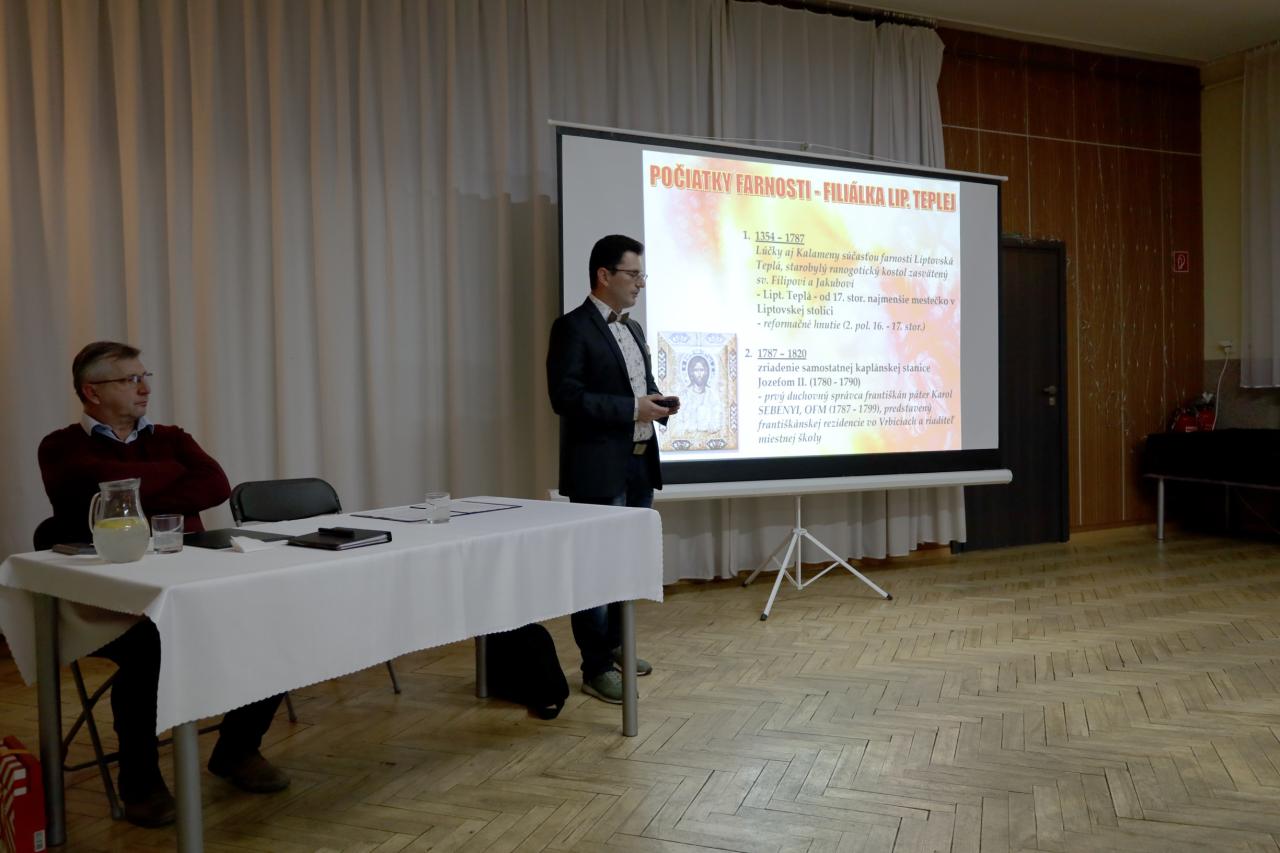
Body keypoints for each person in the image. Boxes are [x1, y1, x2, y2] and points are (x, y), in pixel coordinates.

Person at [37, 341, 289, 828]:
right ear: (92, 391)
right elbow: (86, 484)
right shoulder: (60, 446)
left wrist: (125, 488)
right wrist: (171, 477)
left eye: (144, 377)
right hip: (103, 597)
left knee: (274, 621)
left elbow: (214, 484)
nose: (144, 388)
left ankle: (237, 750)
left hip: (187, 581)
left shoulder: (172, 436)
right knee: (150, 645)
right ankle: (140, 782)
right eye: (130, 379)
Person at [546, 235, 679, 704]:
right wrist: (631, 408)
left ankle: (617, 647)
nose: (640, 283)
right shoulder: (572, 327)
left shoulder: (634, 328)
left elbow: (639, 384)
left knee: (626, 563)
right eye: (633, 274)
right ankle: (595, 666)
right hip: (598, 469)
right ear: (604, 275)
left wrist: (657, 402)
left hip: (639, 464)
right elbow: (565, 398)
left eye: (642, 275)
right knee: (595, 569)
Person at [679, 354, 723, 432]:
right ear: (691, 373)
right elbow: (680, 421)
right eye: (696, 370)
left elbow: (717, 420)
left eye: (702, 370)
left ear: (706, 372)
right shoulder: (685, 396)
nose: (699, 374)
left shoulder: (712, 395)